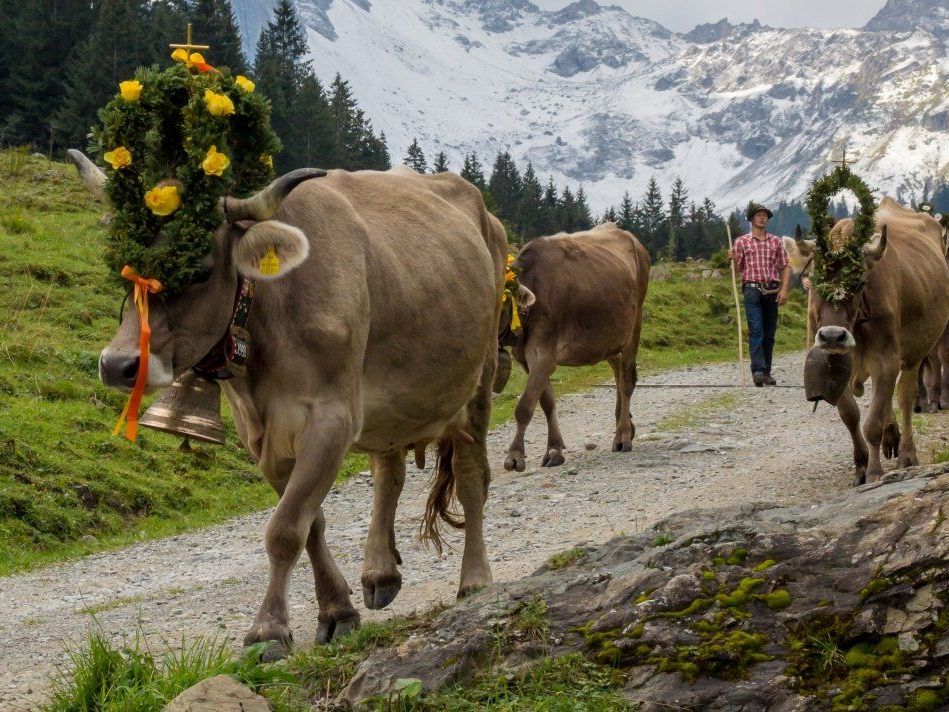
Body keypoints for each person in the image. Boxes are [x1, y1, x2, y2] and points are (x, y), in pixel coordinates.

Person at [729, 203, 791, 386]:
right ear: (751, 219)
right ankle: (757, 370)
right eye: (758, 215)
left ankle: (767, 372)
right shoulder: (742, 242)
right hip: (752, 289)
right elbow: (737, 269)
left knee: (769, 333)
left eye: (765, 215)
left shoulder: (776, 242)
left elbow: (785, 266)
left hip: (772, 289)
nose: (762, 218)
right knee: (756, 330)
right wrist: (732, 260)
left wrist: (784, 289)